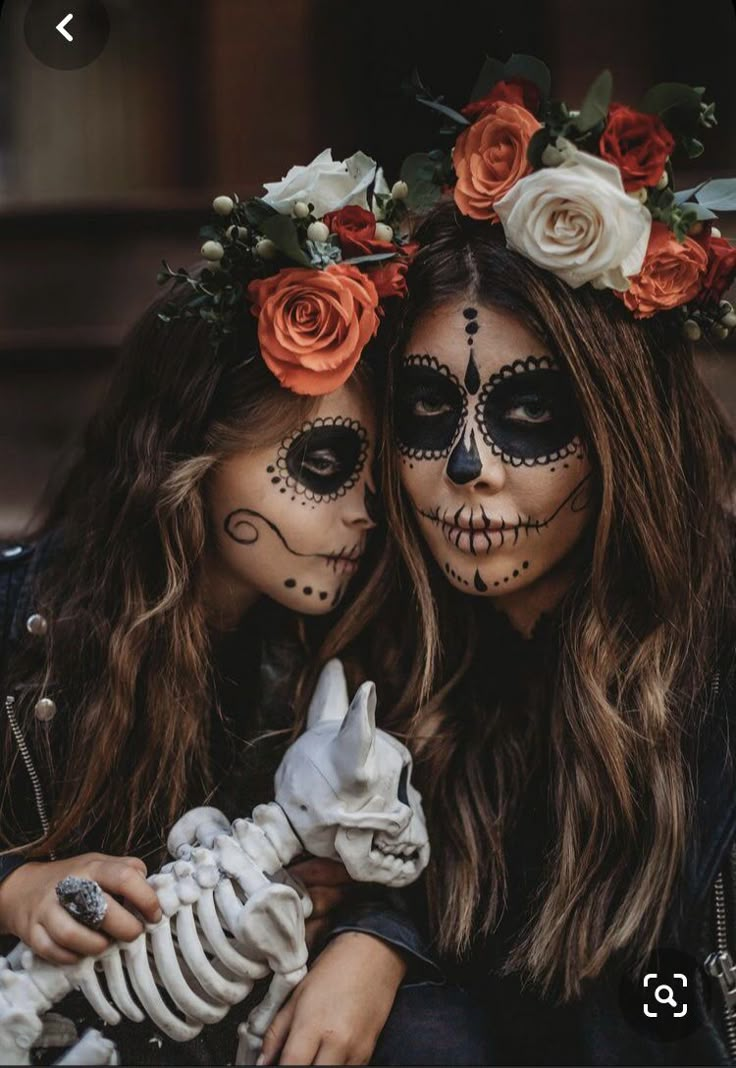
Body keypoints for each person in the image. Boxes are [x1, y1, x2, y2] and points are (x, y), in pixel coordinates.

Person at [261, 63, 736, 1066]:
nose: (467, 467)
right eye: (430, 412)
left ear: (621, 432)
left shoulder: (709, 667)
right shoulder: (389, 665)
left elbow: (665, 996)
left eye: (528, 415)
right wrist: (377, 940)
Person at [0, 154, 429, 1065]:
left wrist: (371, 941)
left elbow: (453, 836)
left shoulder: (352, 647)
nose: (364, 512)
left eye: (377, 473)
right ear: (192, 448)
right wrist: (17, 887)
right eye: (320, 466)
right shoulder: (20, 625)